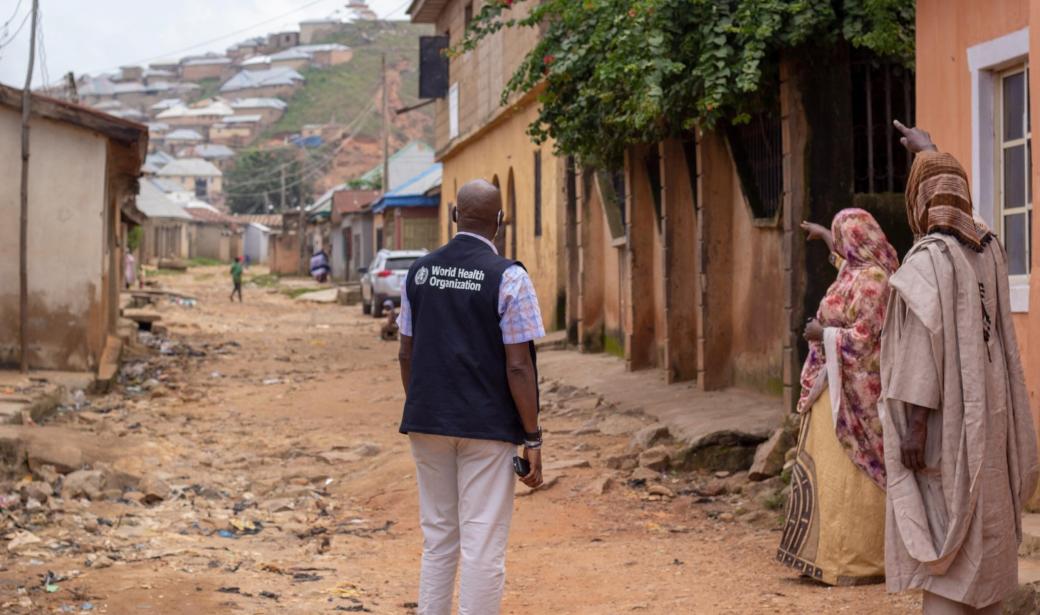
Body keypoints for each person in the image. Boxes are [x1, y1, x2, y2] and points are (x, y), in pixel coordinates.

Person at [881, 121, 1039, 614]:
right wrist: (931, 151)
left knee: (947, 539)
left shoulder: (926, 260)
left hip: (944, 426)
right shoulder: (988, 247)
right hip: (990, 419)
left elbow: (918, 356)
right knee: (985, 534)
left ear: (918, 200)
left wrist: (914, 427)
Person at [397, 179, 544, 615]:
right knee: (483, 545)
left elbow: (406, 351)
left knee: (439, 538)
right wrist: (532, 437)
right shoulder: (509, 277)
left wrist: (425, 407)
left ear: (454, 217)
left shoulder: (419, 272)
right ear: (499, 222)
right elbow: (519, 365)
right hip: (487, 428)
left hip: (426, 421)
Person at [777, 208, 898, 585]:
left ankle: (856, 562)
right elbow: (844, 266)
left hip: (856, 395)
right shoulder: (858, 272)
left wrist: (821, 334)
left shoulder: (875, 280)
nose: (841, 245)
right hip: (835, 387)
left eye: (841, 235)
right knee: (828, 475)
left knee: (854, 475)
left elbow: (865, 338)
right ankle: (821, 556)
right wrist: (824, 236)